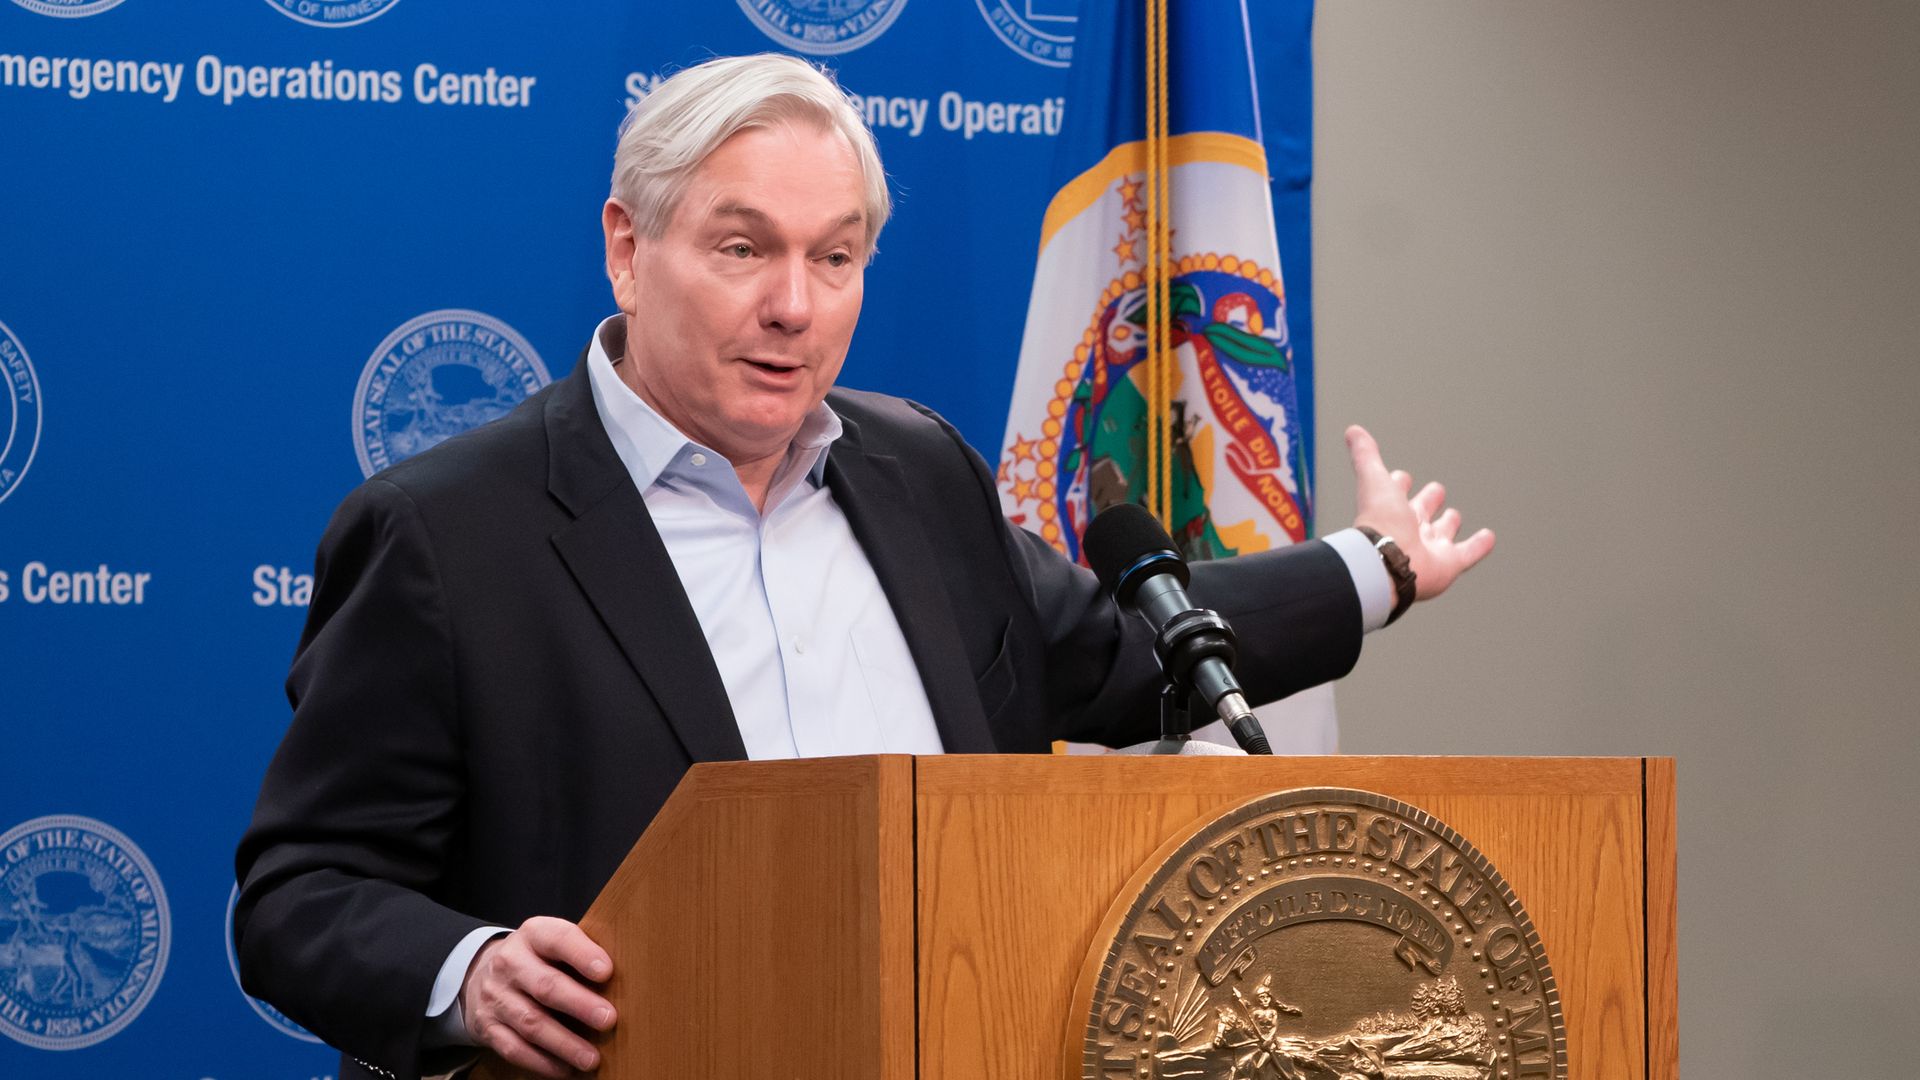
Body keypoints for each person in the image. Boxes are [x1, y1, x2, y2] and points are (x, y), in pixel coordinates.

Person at [233, 53, 1493, 1080]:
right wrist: (471, 975)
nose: (796, 305)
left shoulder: (916, 470)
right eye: (743, 249)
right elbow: (300, 892)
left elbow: (1123, 656)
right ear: (627, 247)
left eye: (834, 258)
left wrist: (1374, 568)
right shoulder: (448, 533)